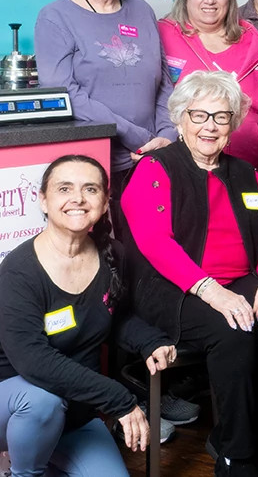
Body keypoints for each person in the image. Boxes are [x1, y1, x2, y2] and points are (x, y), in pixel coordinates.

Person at [122, 70, 258, 477]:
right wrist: (211, 291)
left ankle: (228, 436)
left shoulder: (246, 173)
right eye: (199, 115)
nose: (210, 126)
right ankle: (237, 458)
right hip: (173, 286)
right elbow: (156, 245)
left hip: (239, 280)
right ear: (180, 120)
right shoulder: (156, 167)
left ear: (233, 124)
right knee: (234, 329)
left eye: (221, 117)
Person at [0, 155, 176, 477]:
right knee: (42, 401)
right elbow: (32, 360)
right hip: (14, 404)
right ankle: (22, 470)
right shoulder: (18, 271)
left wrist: (150, 341)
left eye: (90, 189)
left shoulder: (113, 255)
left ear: (105, 201)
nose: (78, 199)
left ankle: (43, 455)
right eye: (64, 188)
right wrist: (119, 400)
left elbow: (114, 317)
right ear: (43, 200)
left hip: (75, 413)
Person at [34, 0, 175, 204]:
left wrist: (167, 136)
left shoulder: (142, 11)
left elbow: (164, 84)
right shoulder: (55, 17)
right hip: (92, 166)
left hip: (153, 159)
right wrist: (135, 136)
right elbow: (64, 94)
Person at [159, 0, 258, 174]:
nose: (209, 0)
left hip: (249, 167)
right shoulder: (162, 34)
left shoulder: (256, 42)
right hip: (182, 167)